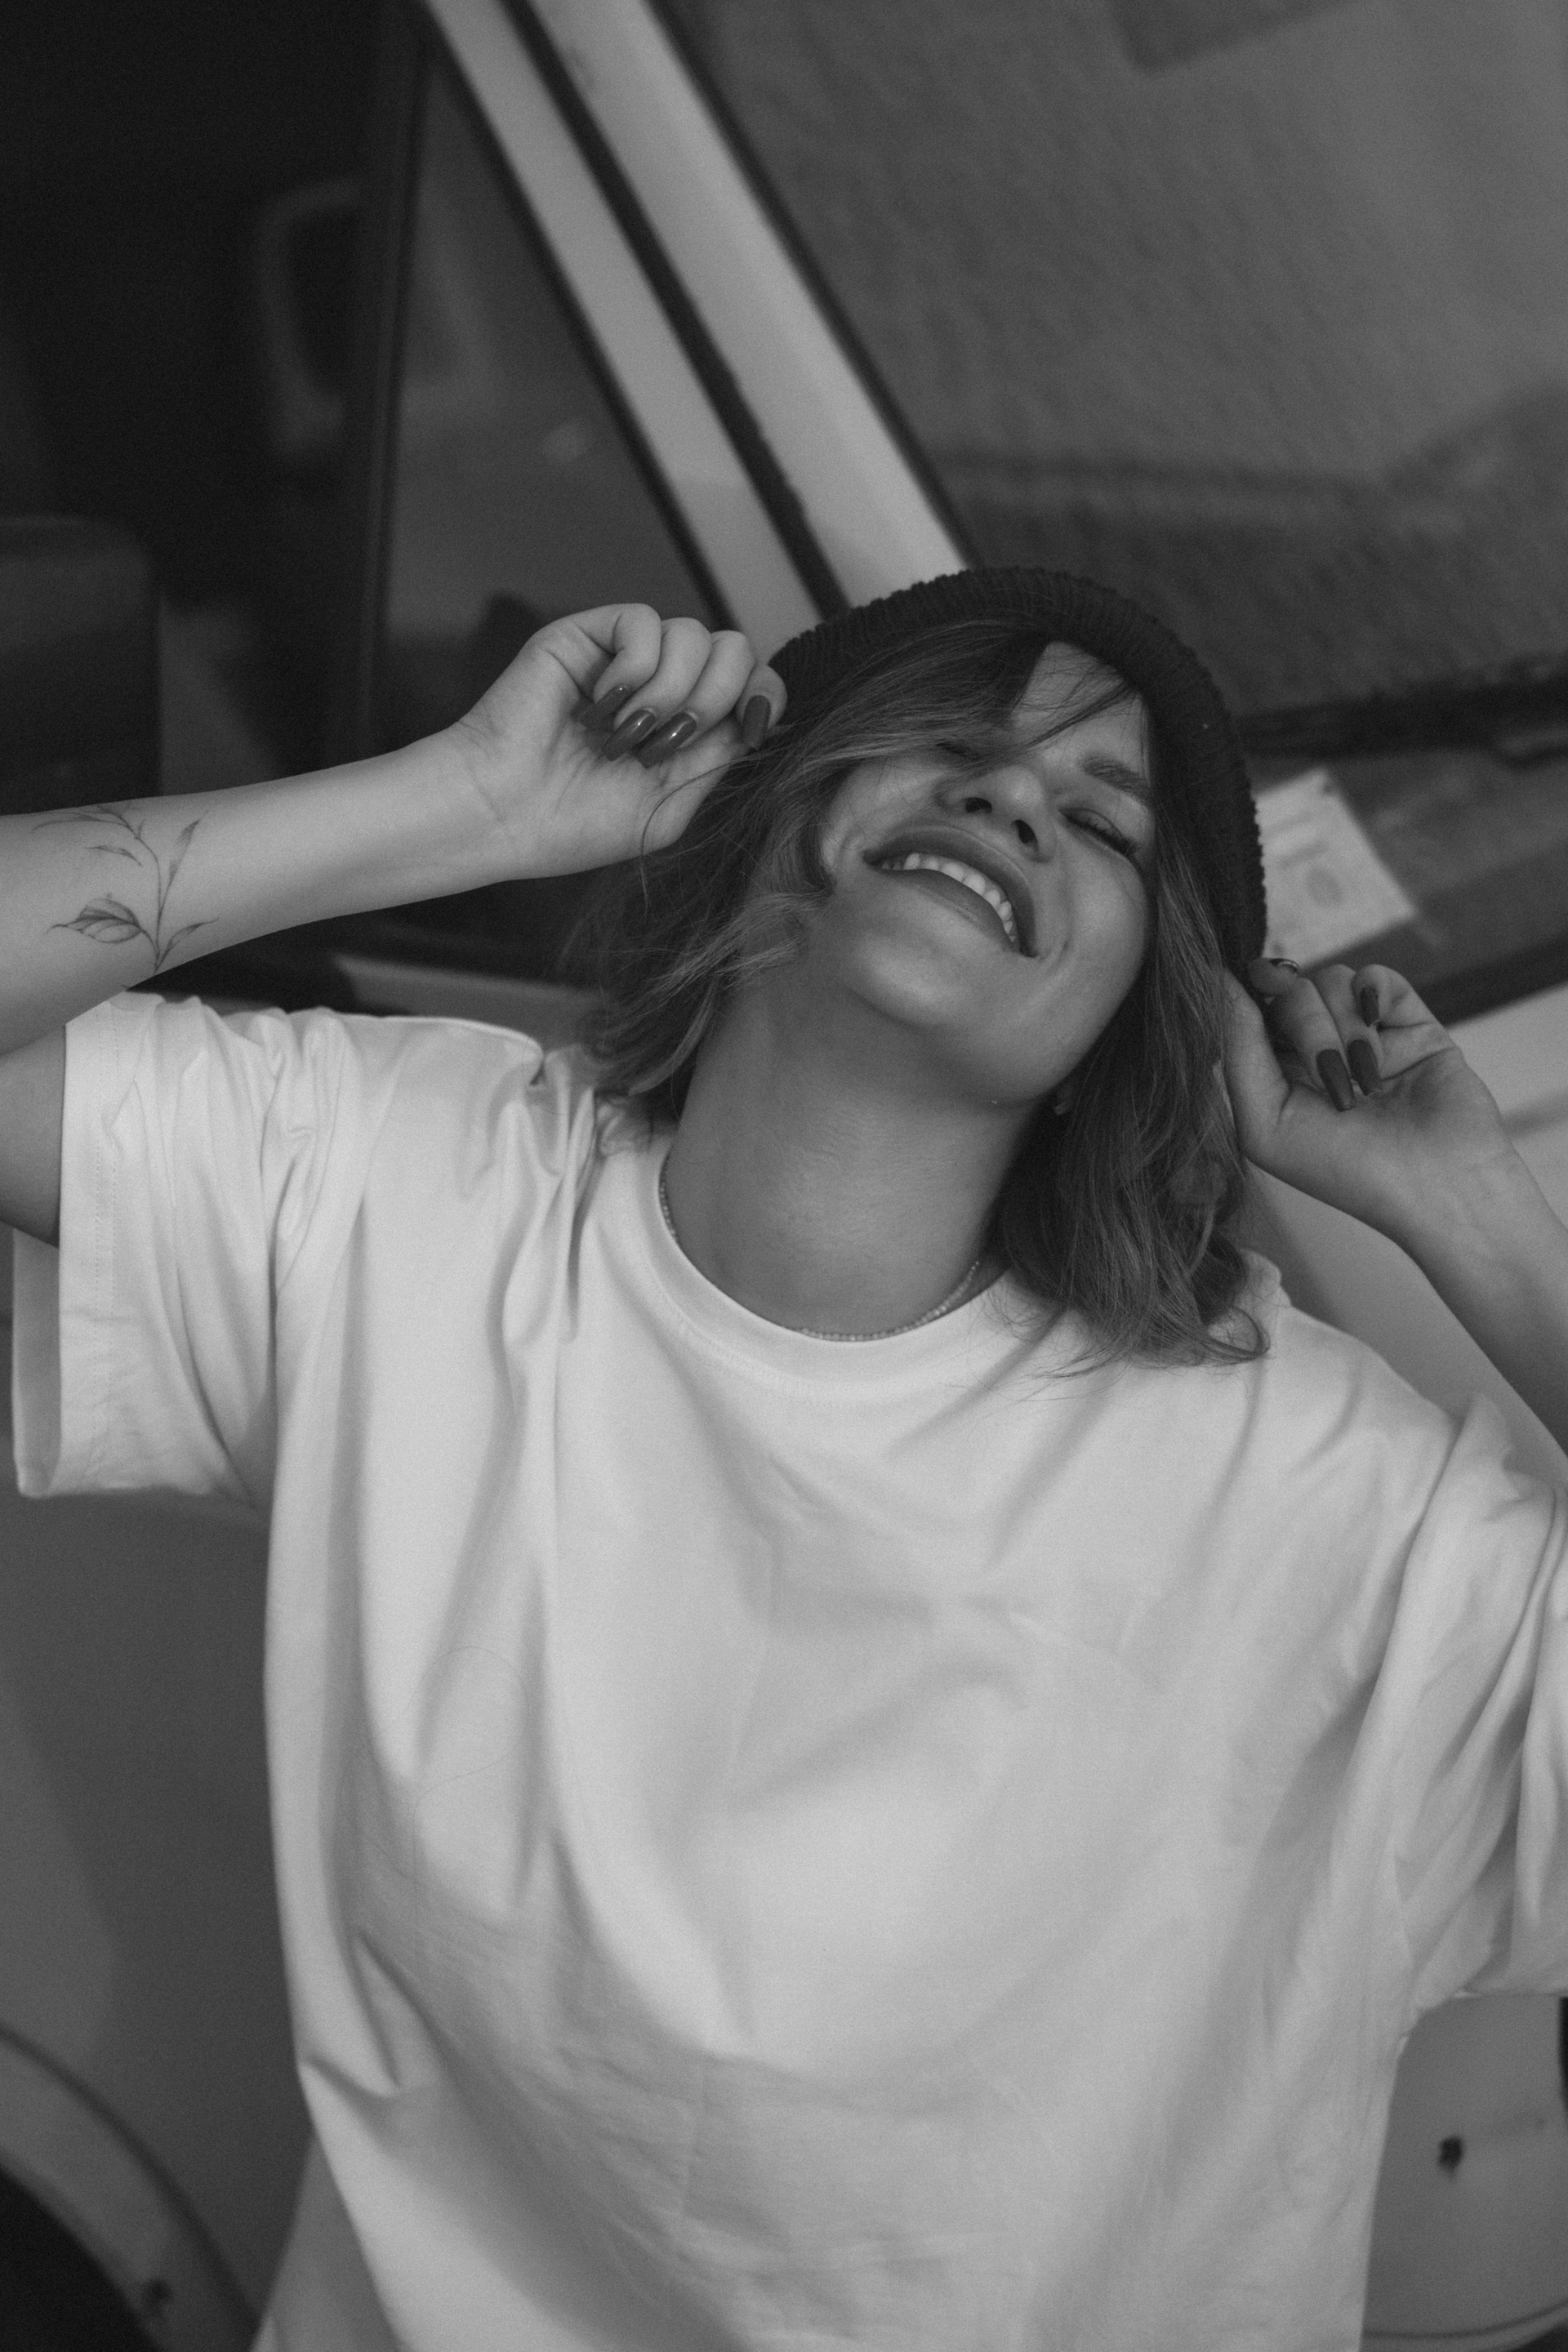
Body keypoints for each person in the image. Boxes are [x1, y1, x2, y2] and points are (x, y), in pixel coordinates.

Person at [2, 568, 1566, 2352]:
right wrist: (465, 805)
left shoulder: (1309, 1496)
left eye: (1103, 824)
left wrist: (1477, 1215)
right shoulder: (412, 1183)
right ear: (766, 820)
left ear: (1130, 1026)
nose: (1013, 799)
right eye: (951, 740)